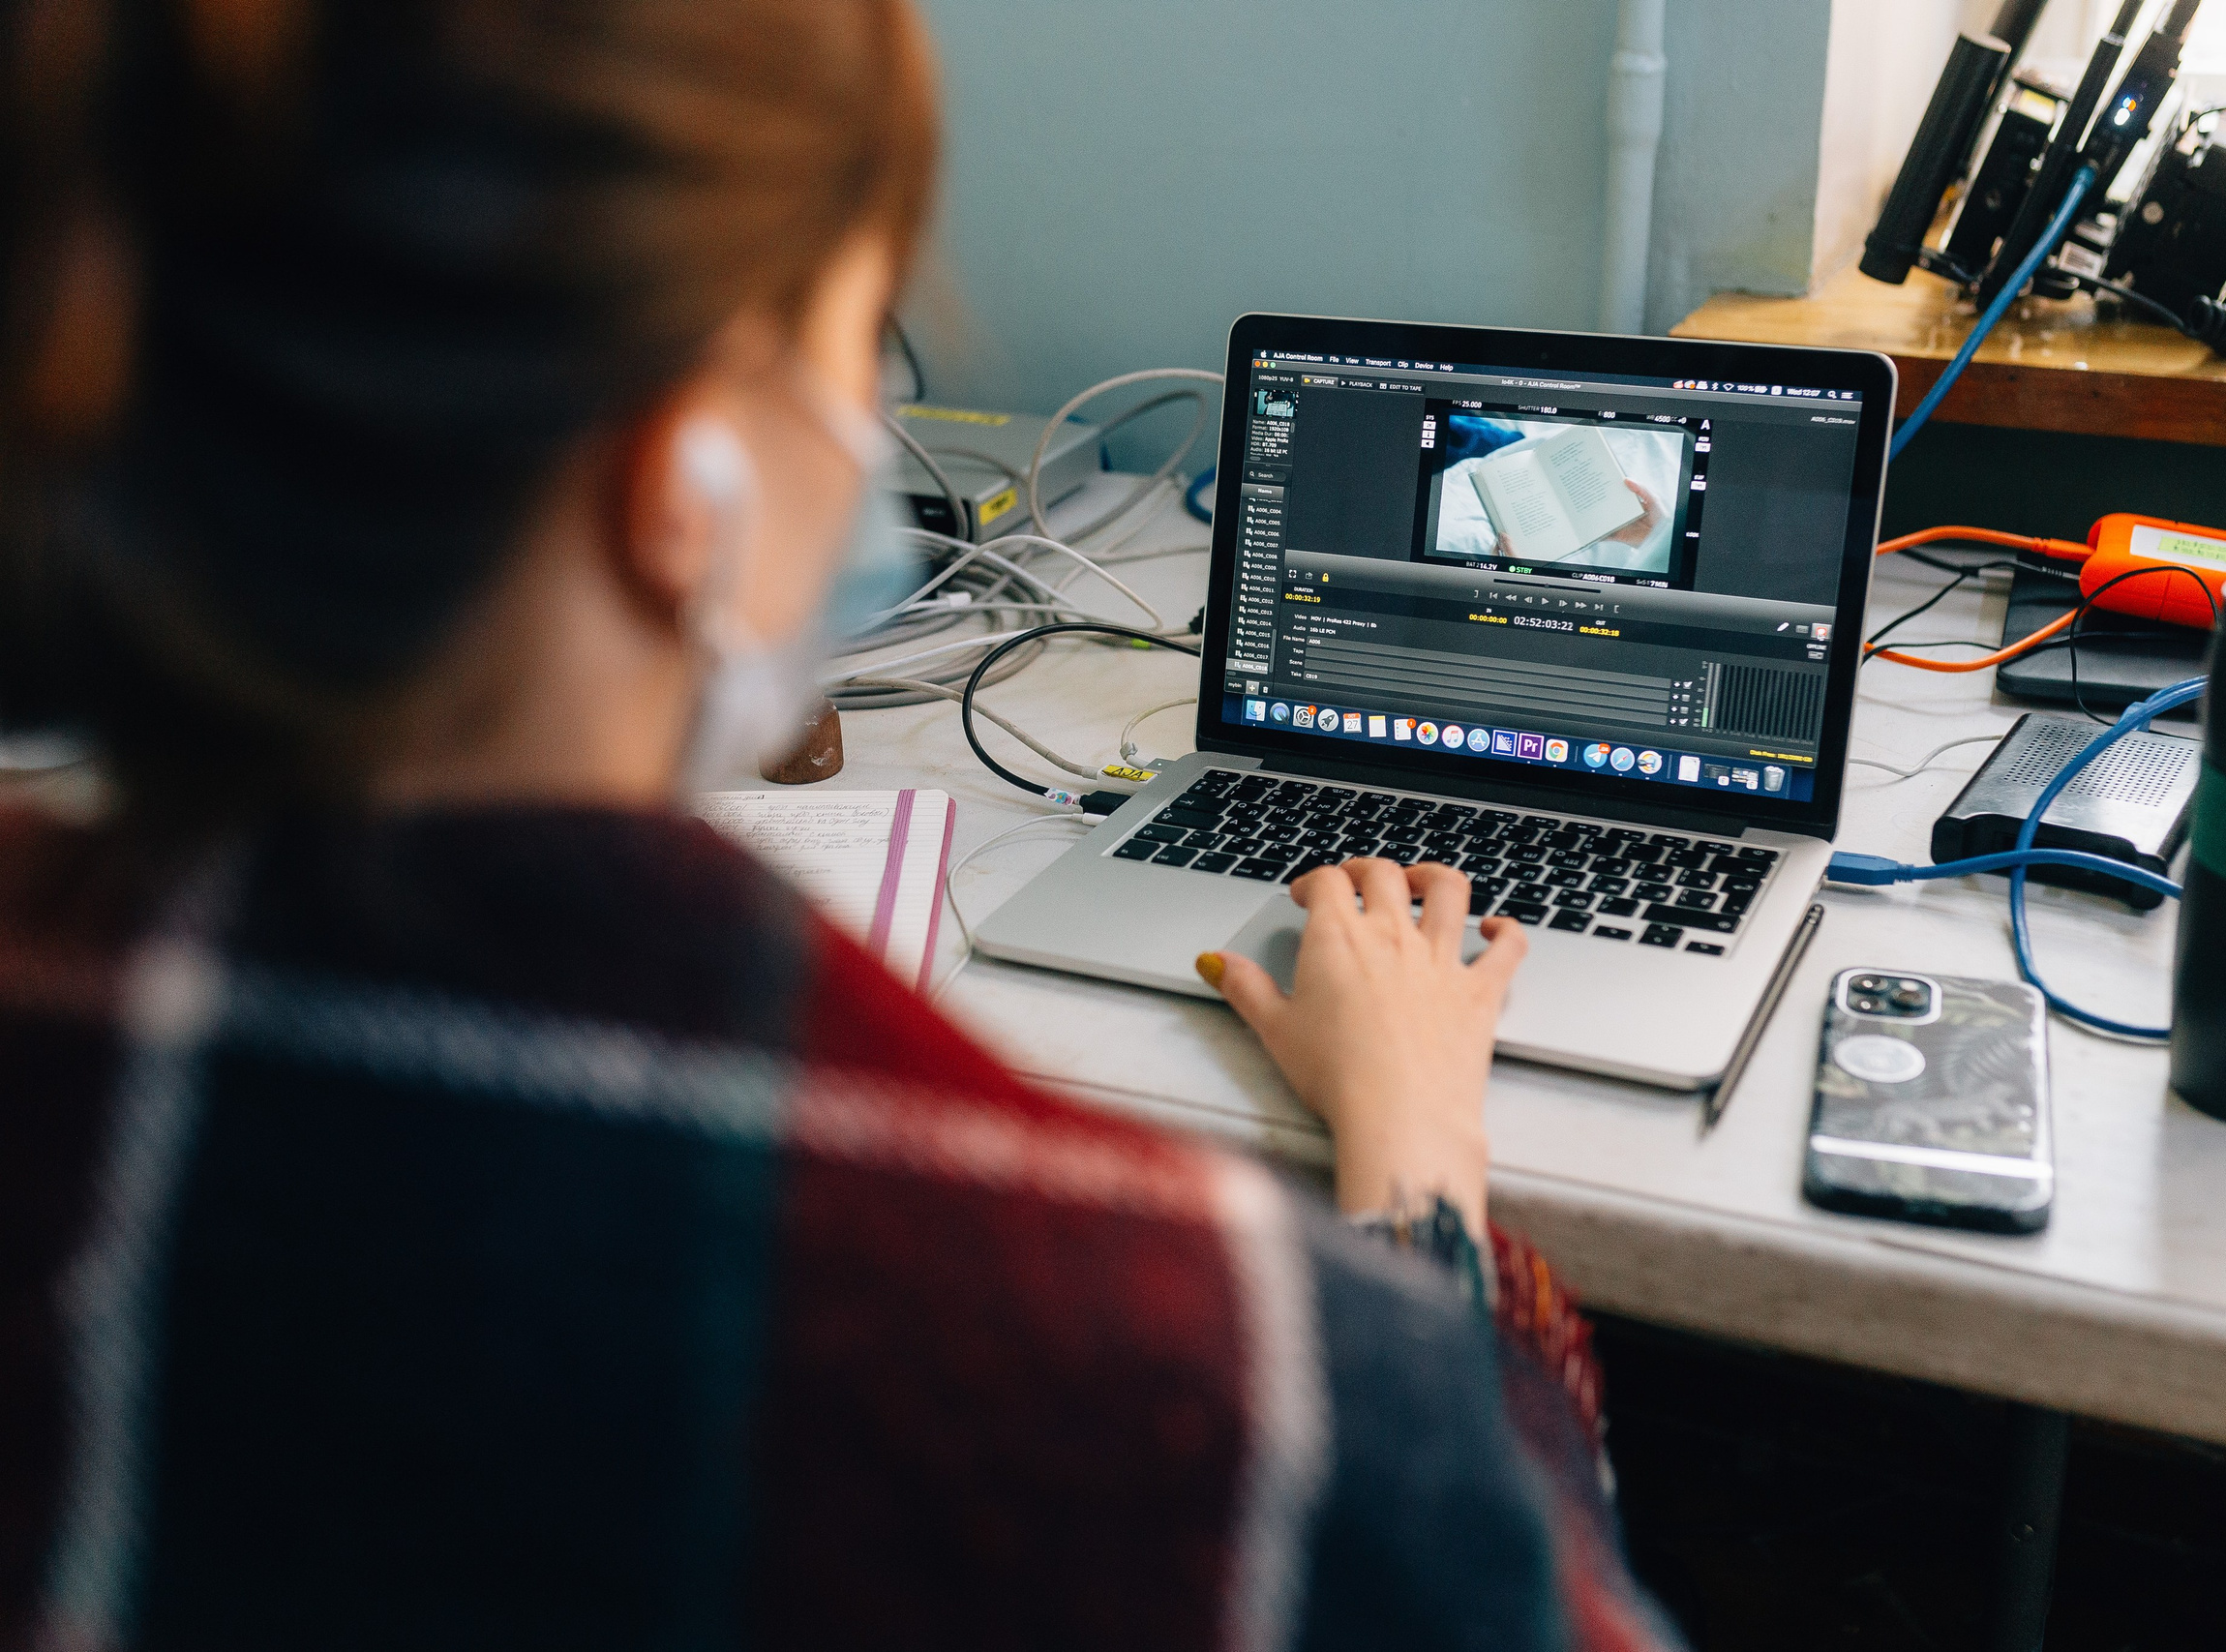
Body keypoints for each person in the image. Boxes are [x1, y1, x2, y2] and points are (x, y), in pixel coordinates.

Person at [0, 2, 1679, 1646]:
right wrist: (1421, 1175)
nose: (876, 432)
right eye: (857, 343)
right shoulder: (1198, 1368)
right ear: (680, 488)